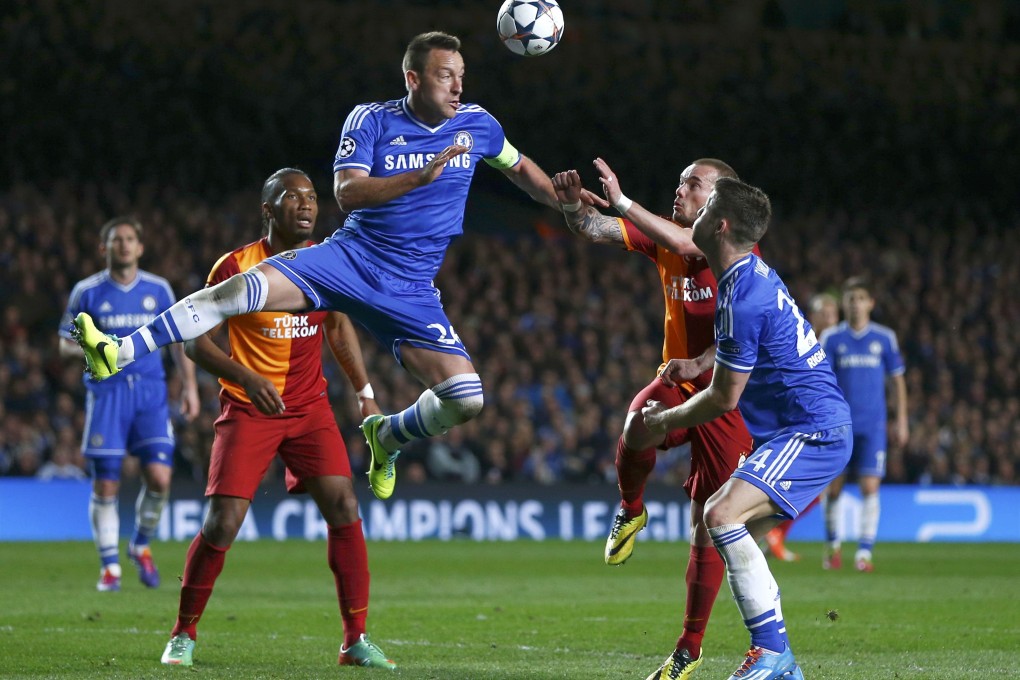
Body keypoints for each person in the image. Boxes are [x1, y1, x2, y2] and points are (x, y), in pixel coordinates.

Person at [70, 31, 569, 502]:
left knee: (467, 399)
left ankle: (387, 435)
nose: (458, 85)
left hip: (412, 285)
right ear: (413, 79)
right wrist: (420, 176)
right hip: (349, 259)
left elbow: (521, 169)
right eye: (445, 75)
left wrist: (568, 205)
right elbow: (347, 193)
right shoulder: (370, 120)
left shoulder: (479, 124)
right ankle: (118, 351)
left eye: (461, 75)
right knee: (234, 293)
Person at [160, 168, 395, 669]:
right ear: (268, 210)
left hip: (310, 407)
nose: (307, 205)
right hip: (249, 408)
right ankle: (183, 633)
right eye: (294, 198)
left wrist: (365, 393)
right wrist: (245, 378)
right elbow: (195, 341)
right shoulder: (235, 268)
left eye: (312, 197)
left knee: (344, 505)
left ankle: (355, 640)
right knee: (223, 523)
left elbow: (337, 323)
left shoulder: (326, 261)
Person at [640, 177, 851, 680]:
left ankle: (772, 652)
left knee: (720, 513)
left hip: (812, 429)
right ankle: (783, 665)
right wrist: (699, 362)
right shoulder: (746, 277)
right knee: (730, 535)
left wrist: (664, 422)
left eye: (708, 201)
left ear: (720, 224)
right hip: (803, 428)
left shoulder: (742, 292)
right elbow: (742, 347)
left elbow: (724, 398)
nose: (700, 204)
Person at [552, 158, 753, 679]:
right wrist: (575, 205)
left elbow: (746, 328)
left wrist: (621, 200)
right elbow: (591, 229)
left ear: (720, 203)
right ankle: (631, 506)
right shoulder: (662, 235)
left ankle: (689, 648)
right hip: (679, 379)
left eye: (692, 183)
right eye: (679, 179)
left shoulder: (734, 251)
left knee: (707, 526)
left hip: (724, 394)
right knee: (636, 421)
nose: (679, 188)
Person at [60, 217, 200, 592]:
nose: (123, 245)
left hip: (151, 394)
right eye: (115, 239)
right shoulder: (86, 292)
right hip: (108, 395)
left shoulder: (159, 289)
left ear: (140, 247)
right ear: (103, 248)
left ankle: (139, 545)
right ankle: (109, 568)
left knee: (160, 478)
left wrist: (189, 387)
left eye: (129, 239)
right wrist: (95, 351)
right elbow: (63, 343)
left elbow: (178, 340)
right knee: (106, 484)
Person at [818, 276, 908, 572]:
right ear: (844, 304)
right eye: (851, 298)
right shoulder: (832, 338)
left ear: (871, 303)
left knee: (870, 486)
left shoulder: (884, 338)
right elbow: (820, 380)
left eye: (860, 298)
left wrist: (902, 420)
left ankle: (864, 554)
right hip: (838, 426)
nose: (855, 304)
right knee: (833, 489)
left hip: (873, 426)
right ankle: (833, 548)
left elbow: (897, 382)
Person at [763, 291, 839, 562]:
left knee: (816, 488)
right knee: (804, 485)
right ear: (814, 315)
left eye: (834, 314)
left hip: (821, 419)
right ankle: (770, 533)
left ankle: (774, 534)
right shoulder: (801, 338)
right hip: (795, 417)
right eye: (826, 314)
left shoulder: (836, 344)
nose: (831, 319)